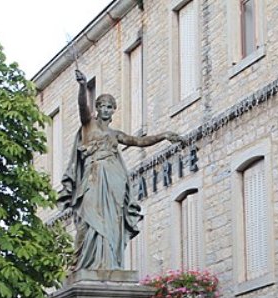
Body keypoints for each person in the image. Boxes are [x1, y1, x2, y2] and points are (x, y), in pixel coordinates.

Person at [59, 69, 184, 271]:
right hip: (93, 177)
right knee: (88, 219)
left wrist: (163, 135)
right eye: (102, 106)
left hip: (114, 178)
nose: (106, 110)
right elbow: (82, 106)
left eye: (110, 107)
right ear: (97, 109)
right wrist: (82, 86)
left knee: (113, 221)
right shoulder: (88, 125)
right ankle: (84, 262)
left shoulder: (116, 134)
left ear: (113, 110)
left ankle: (110, 262)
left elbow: (139, 141)